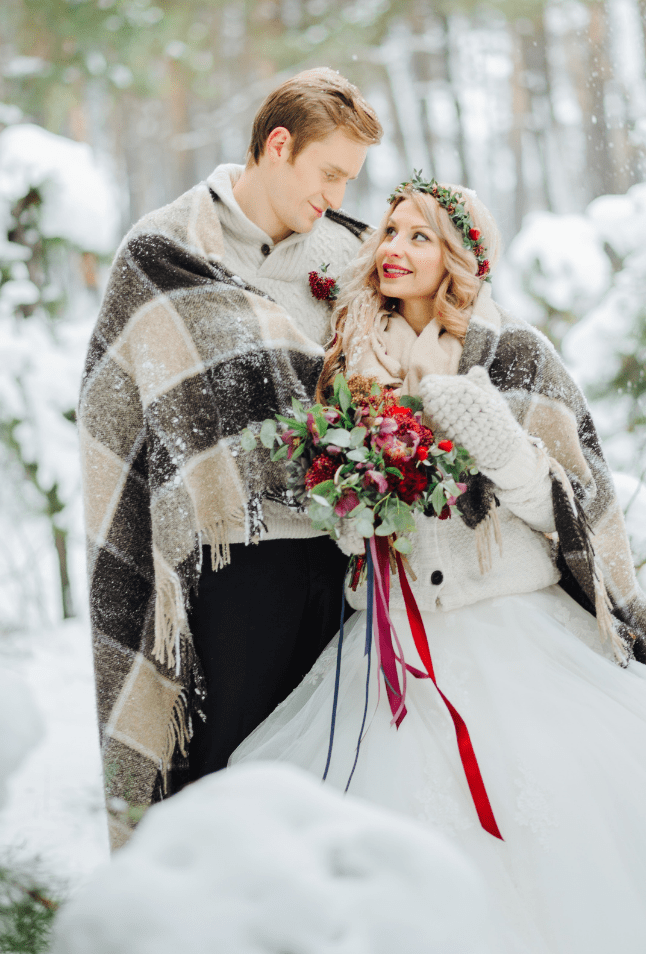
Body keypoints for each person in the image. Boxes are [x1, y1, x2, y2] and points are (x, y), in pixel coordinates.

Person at [229, 175, 646, 952]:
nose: (395, 249)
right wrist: (354, 497)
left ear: (460, 256)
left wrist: (494, 438)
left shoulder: (514, 352)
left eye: (420, 237)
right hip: (398, 647)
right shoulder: (350, 363)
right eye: (390, 232)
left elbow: (569, 510)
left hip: (515, 632)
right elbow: (351, 540)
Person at [78, 68, 383, 850]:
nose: (337, 192)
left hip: (347, 565)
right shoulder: (164, 252)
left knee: (331, 780)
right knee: (219, 777)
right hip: (233, 569)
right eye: (329, 173)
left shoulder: (354, 256)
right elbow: (113, 410)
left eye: (349, 178)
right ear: (277, 146)